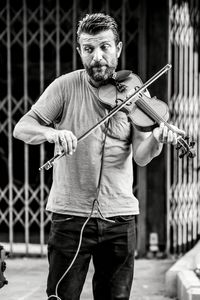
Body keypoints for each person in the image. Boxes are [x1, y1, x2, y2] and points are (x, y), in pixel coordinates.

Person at [13, 13, 183, 300]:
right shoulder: (64, 86)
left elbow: (141, 156)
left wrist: (156, 139)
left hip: (119, 218)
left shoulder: (135, 93)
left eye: (105, 47)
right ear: (80, 51)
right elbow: (22, 127)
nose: (97, 57)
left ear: (118, 48)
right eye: (89, 49)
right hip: (69, 216)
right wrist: (52, 134)